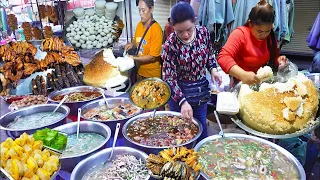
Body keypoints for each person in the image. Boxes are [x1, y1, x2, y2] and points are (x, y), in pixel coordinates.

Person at [162, 2, 222, 141]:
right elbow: (169, 78)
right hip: (179, 97)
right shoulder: (170, 45)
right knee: (178, 136)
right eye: (179, 31)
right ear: (173, 27)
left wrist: (213, 69)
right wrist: (182, 102)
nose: (185, 35)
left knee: (200, 133)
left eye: (188, 29)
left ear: (194, 20)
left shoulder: (203, 33)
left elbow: (208, 55)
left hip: (200, 95)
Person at [217, 0, 287, 87]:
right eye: (260, 31)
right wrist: (242, 74)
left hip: (260, 84)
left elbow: (274, 56)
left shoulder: (270, 37)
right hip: (240, 84)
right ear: (250, 24)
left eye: (267, 31)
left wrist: (279, 60)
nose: (264, 35)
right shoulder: (240, 34)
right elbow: (223, 57)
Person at [125, 0, 163, 80]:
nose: (140, 13)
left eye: (143, 10)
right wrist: (132, 44)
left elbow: (152, 57)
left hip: (151, 75)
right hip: (139, 72)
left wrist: (133, 57)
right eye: (139, 10)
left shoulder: (156, 29)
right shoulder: (139, 25)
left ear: (151, 9)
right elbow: (136, 41)